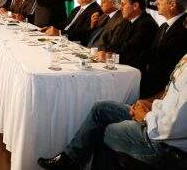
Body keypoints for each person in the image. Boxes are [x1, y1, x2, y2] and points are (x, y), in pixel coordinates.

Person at [38, 56, 187, 169]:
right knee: (101, 109)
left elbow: (171, 127)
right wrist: (151, 103)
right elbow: (172, 93)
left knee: (103, 129)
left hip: (163, 143)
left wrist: (146, 116)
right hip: (158, 119)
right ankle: (69, 160)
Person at [140, 0, 187, 98]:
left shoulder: (184, 29)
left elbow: (163, 59)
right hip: (150, 88)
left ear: (172, 5)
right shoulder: (163, 26)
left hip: (165, 95)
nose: (155, 2)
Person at [97, 0, 158, 74]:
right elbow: (115, 43)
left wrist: (108, 56)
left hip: (135, 73)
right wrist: (103, 51)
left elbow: (131, 52)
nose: (120, 8)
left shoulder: (147, 25)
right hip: (121, 67)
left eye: (123, 4)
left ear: (135, 6)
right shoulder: (126, 21)